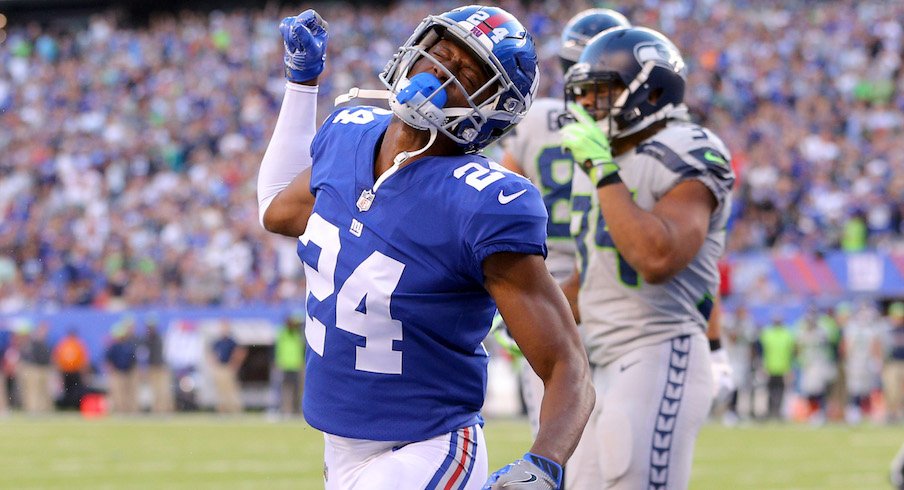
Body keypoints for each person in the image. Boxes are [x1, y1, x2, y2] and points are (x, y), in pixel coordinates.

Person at [257, 7, 593, 490]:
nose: (440, 68)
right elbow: (276, 209)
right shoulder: (349, 133)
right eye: (439, 52)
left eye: (465, 72)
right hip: (340, 445)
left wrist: (545, 462)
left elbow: (566, 363)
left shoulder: (485, 203)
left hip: (426, 447)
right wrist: (301, 84)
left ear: (492, 109)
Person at [558, 26, 735, 488]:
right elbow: (591, 276)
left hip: (658, 349)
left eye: (603, 94)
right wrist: (531, 315)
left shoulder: (688, 148)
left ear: (651, 90)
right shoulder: (601, 161)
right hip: (597, 362)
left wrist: (602, 170)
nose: (588, 108)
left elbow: (656, 258)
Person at [497, 8, 629, 489]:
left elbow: (503, 196)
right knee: (607, 427)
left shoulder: (534, 120)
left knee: (552, 426)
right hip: (605, 286)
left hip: (542, 288)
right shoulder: (627, 127)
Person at [758, 315, 795, 420]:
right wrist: (762, 366)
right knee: (769, 391)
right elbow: (762, 351)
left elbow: (791, 352)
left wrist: (789, 368)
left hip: (783, 368)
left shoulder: (787, 334)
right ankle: (769, 412)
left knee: (781, 393)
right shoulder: (767, 333)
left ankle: (778, 413)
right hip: (770, 368)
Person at [209, 321, 246, 413]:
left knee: (231, 390)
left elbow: (240, 352)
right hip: (220, 368)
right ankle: (222, 410)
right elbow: (212, 353)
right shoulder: (217, 341)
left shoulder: (231, 341)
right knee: (220, 391)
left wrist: (235, 364)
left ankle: (235, 410)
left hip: (228, 367)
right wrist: (214, 363)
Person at [104, 319, 140, 414]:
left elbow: (134, 359)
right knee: (118, 393)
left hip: (129, 372)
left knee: (130, 393)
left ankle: (131, 411)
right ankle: (121, 411)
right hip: (118, 372)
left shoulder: (129, 345)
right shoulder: (114, 346)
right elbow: (108, 359)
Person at [274, 312, 304, 417]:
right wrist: (278, 362)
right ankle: (283, 409)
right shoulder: (283, 334)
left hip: (295, 365)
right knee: (284, 389)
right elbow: (279, 349)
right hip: (285, 365)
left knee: (296, 389)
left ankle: (295, 410)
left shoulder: (297, 335)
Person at [142, 316, 173, 413]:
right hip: (153, 367)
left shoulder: (158, 338)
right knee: (155, 391)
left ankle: (165, 410)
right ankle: (157, 410)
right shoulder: (147, 339)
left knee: (163, 390)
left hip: (161, 367)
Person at [20, 321, 54, 413]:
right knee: (32, 391)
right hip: (33, 368)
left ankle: (43, 410)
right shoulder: (33, 341)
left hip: (44, 369)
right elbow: (29, 356)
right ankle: (32, 410)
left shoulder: (46, 341)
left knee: (44, 391)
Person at [53, 327, 90, 410]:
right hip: (68, 371)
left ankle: (72, 406)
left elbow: (83, 361)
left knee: (73, 391)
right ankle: (70, 406)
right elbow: (57, 358)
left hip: (73, 371)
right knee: (70, 391)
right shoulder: (71, 344)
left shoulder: (67, 344)